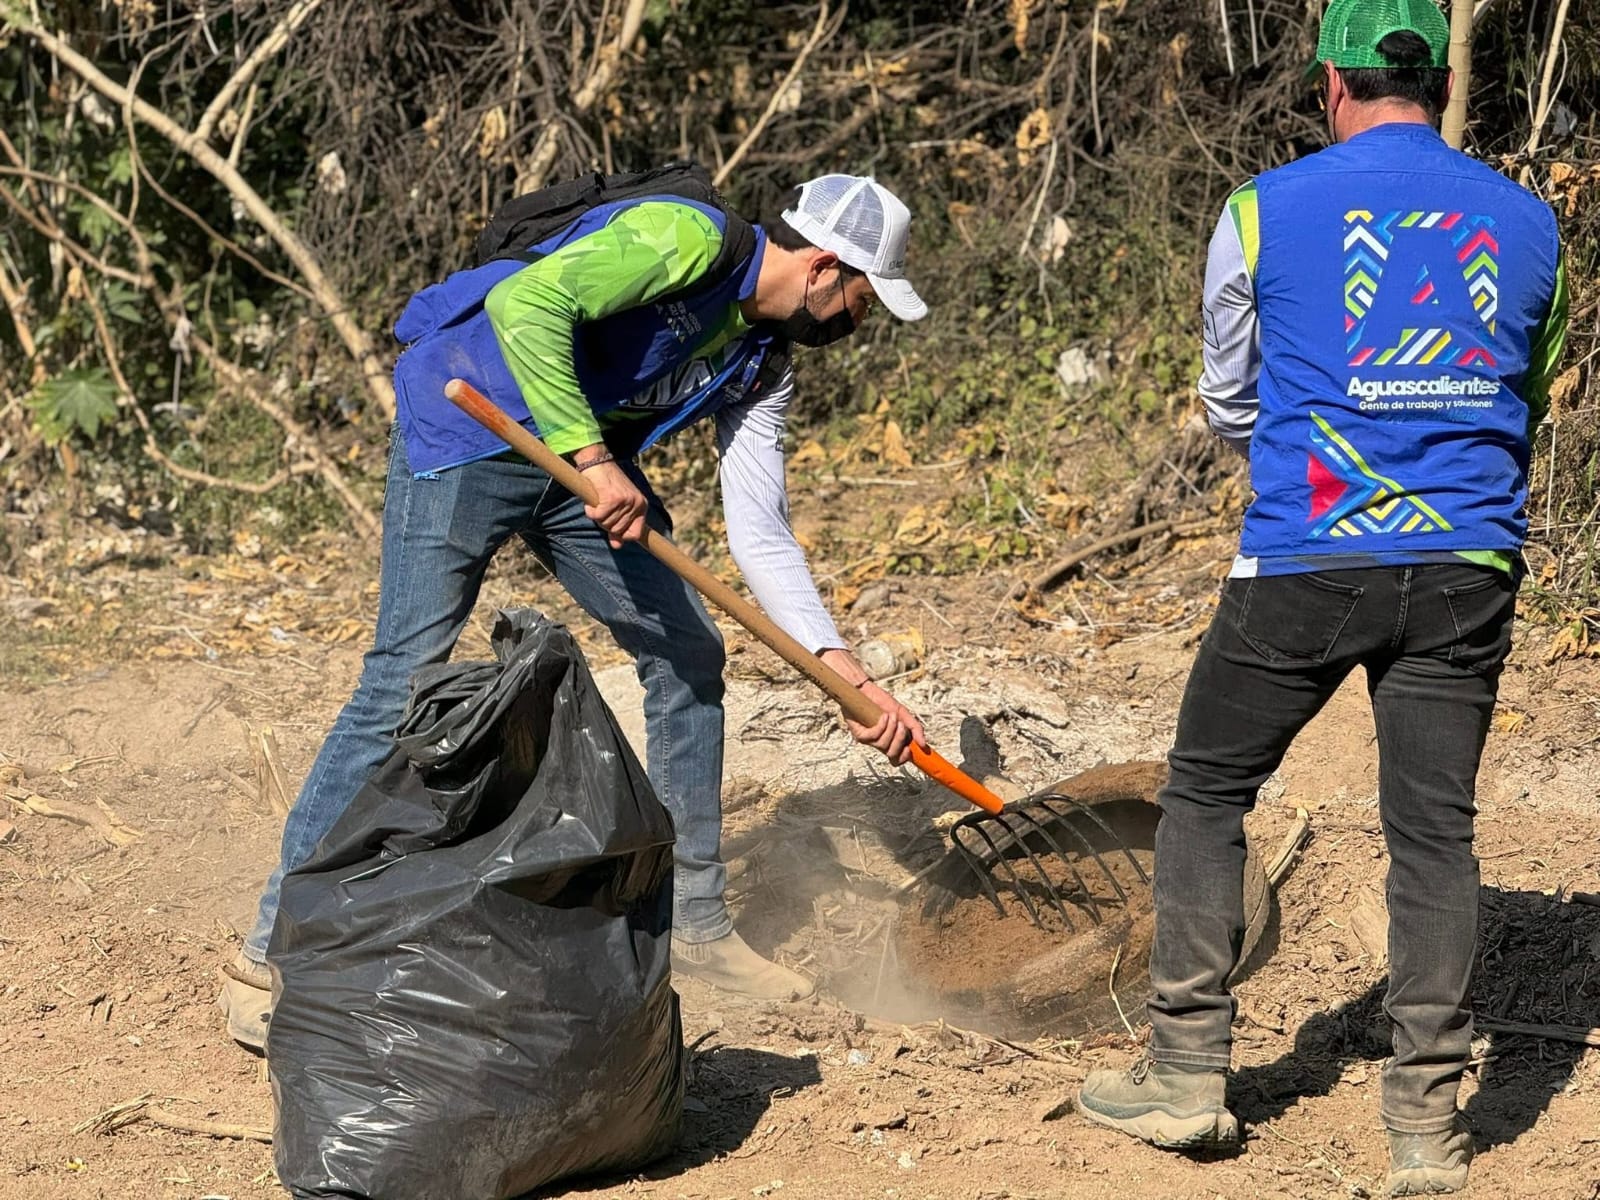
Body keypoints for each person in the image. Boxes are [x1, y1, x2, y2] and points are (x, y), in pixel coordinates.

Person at [218, 173, 932, 1050]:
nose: (859, 327)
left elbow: (761, 530)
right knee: (402, 676)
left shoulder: (761, 365)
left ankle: (695, 926)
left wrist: (842, 668)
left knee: (689, 653)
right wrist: (596, 460)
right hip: (472, 426)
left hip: (584, 475)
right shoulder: (688, 238)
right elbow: (527, 306)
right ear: (824, 268)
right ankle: (271, 950)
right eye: (863, 301)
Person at [1075, 1, 1567, 1194]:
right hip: (1465, 567)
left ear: (1330, 87)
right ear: (1439, 90)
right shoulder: (1530, 221)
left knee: (1204, 787)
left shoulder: (1261, 210)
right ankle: (1425, 1132)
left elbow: (1227, 400)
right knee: (1432, 834)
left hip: (1308, 557)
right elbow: (1529, 387)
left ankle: (1188, 1074)